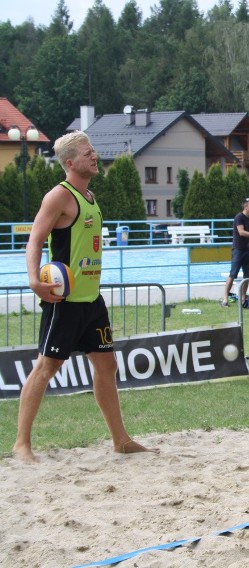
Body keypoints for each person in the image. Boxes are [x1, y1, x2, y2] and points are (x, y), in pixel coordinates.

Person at [13, 131, 156, 464]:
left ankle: (120, 440)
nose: (95, 157)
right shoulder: (59, 197)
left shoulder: (89, 196)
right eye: (88, 153)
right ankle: (21, 444)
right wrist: (35, 281)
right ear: (70, 162)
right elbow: (34, 241)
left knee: (107, 365)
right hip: (64, 303)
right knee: (46, 368)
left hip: (92, 302)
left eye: (94, 151)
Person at [222, 198, 249, 307]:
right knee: (233, 274)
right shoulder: (239, 217)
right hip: (238, 250)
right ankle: (225, 299)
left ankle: (243, 299)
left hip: (247, 251)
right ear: (245, 206)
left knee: (247, 276)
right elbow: (241, 233)